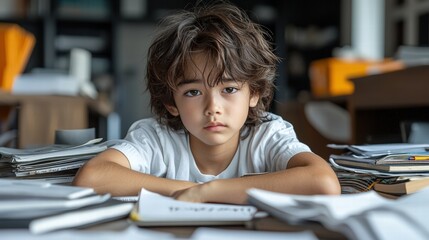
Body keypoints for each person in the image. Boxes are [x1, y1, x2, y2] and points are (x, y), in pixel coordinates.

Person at [73, 1, 341, 204]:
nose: (213, 107)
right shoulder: (157, 138)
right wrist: (188, 190)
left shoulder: (267, 135)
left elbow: (324, 182)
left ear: (254, 93)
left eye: (230, 88)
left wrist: (211, 191)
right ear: (171, 102)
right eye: (193, 92)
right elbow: (91, 178)